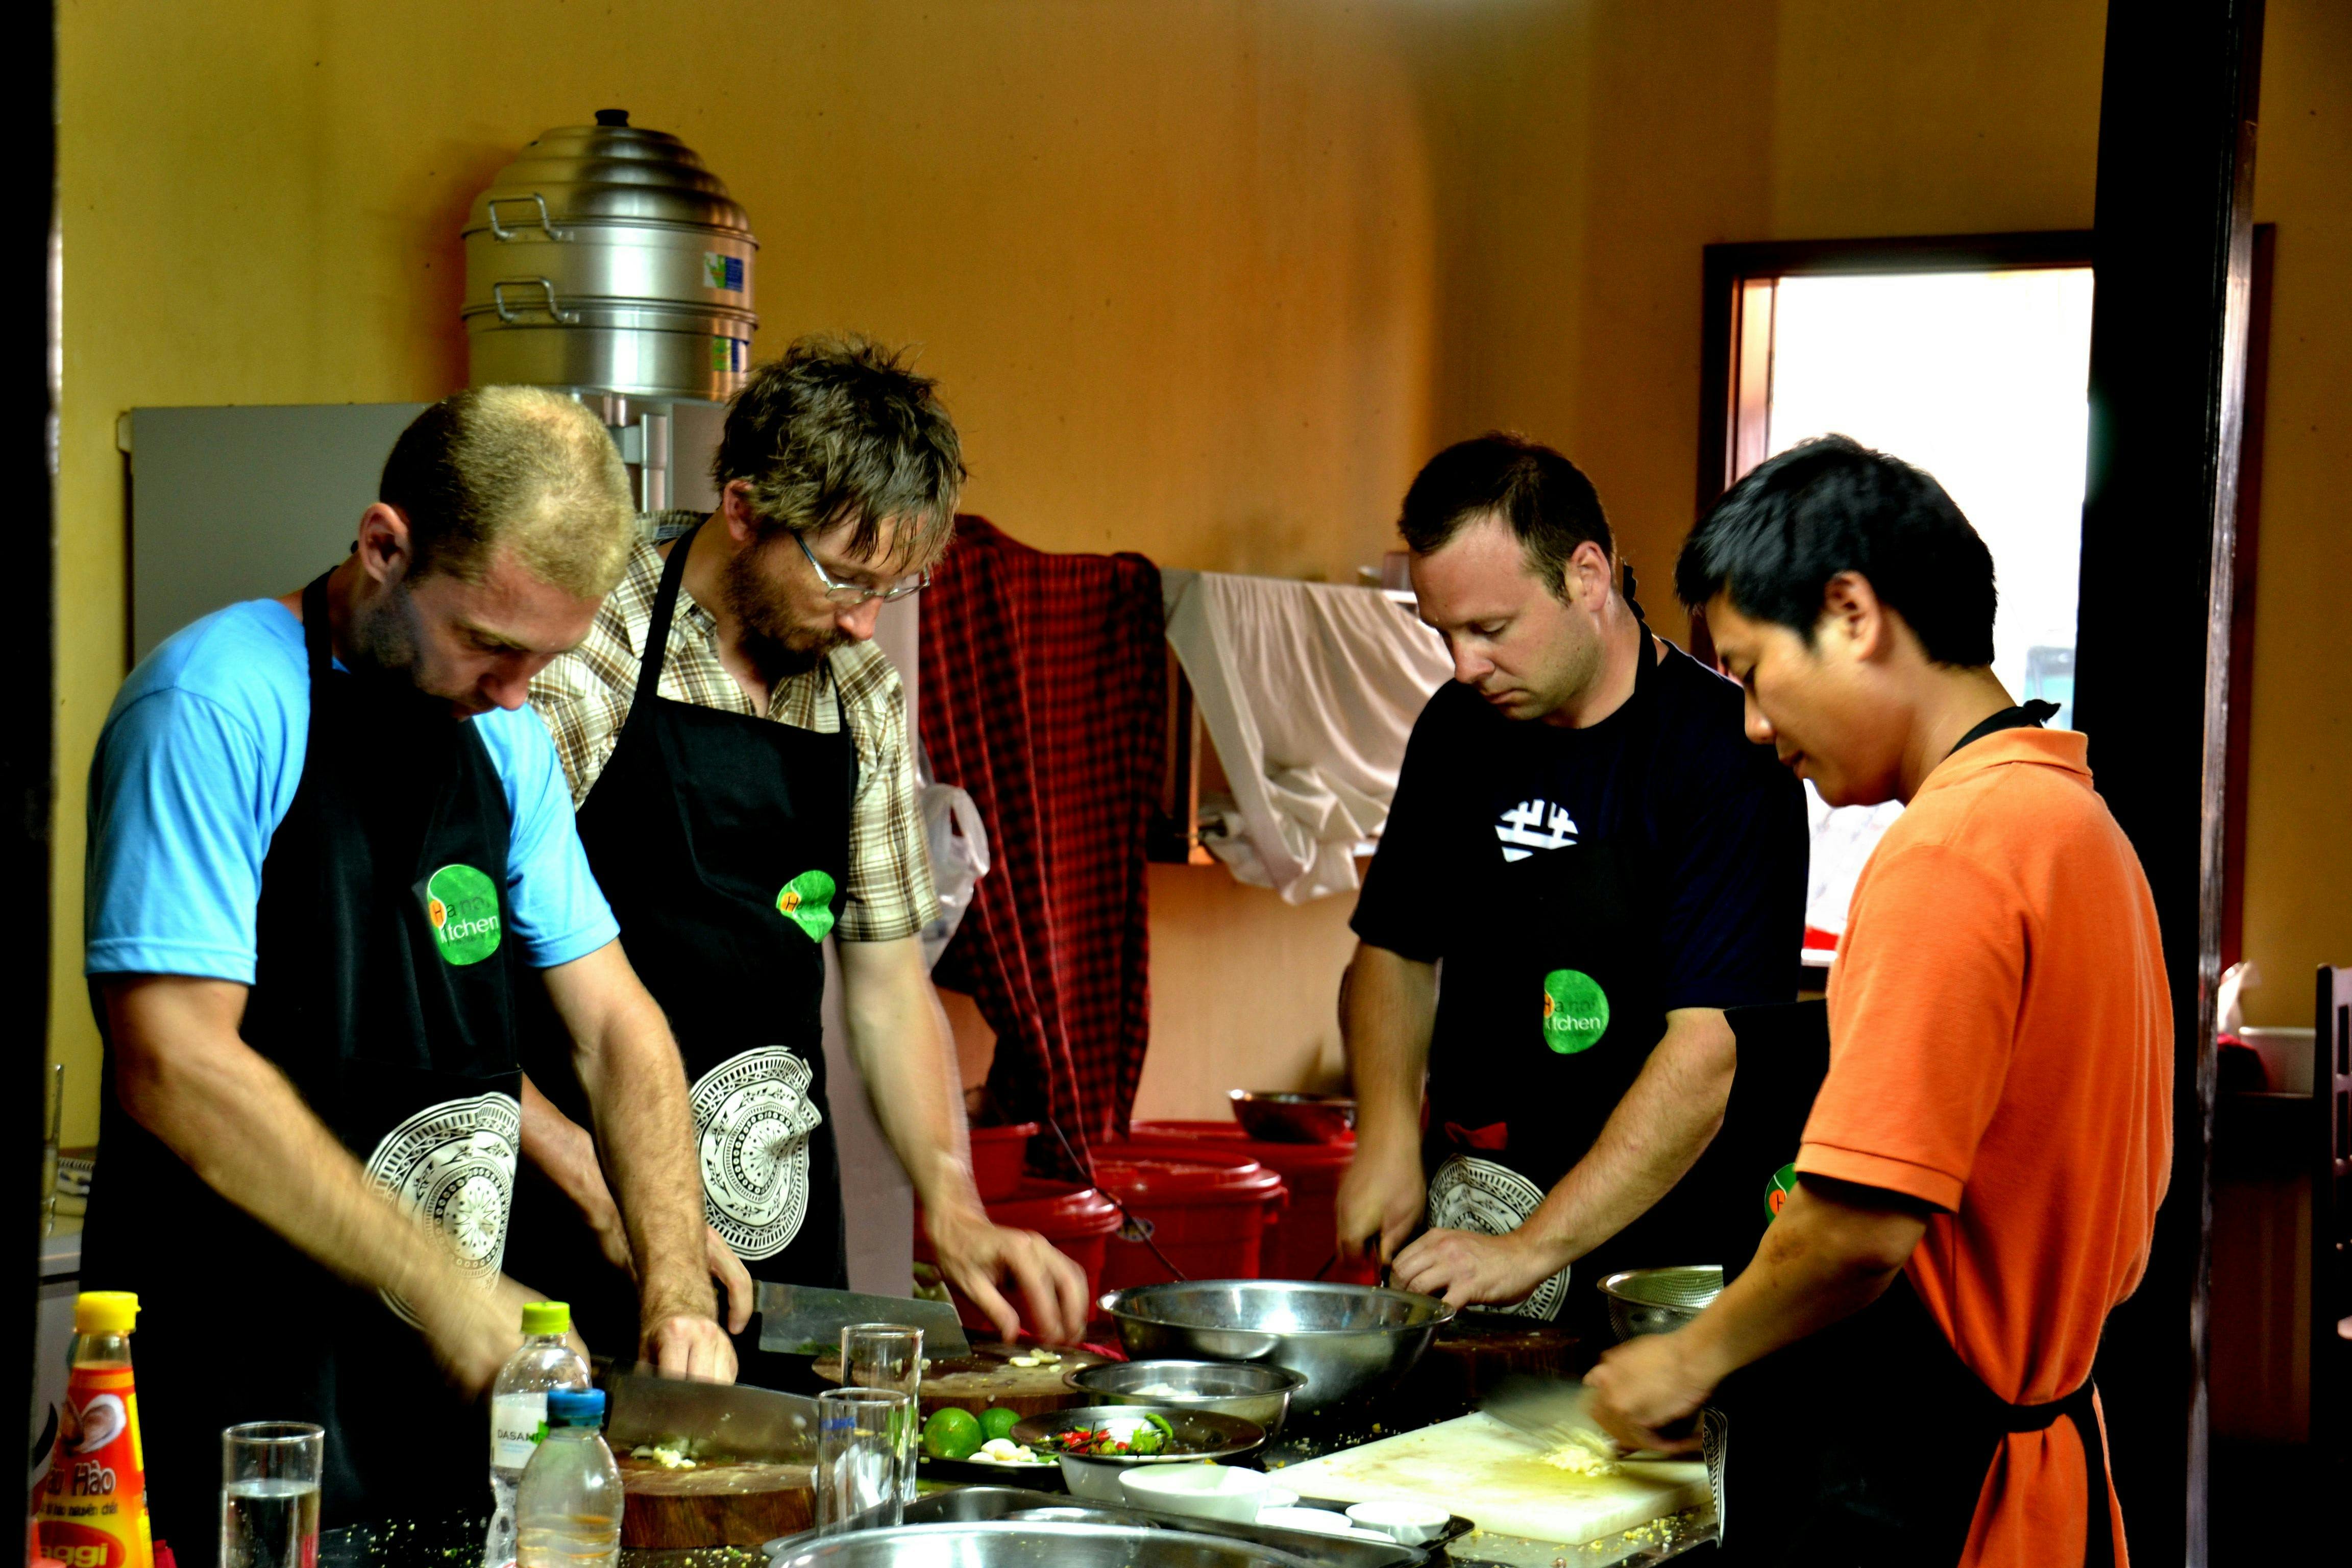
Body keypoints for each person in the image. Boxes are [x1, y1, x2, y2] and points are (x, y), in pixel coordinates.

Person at [80, 388, 732, 1566]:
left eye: (546, 657)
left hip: (443, 1420)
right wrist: (448, 1289)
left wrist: (675, 1282)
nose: (518, 692)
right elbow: (173, 1063)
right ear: (384, 549)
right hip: (253, 1418)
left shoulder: (506, 739)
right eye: (489, 643)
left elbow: (617, 1025)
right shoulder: (219, 706)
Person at [1586, 435, 2170, 1566]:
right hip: (2046, 1454)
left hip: (1942, 1491)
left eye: (1755, 672)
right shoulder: (2073, 822)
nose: (1754, 725)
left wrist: (1685, 1358)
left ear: (1852, 613)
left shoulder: (1950, 851)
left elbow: (1858, 1229)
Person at [525, 335, 1089, 1366]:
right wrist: (619, 1200)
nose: (867, 619)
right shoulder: (592, 653)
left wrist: (952, 1205)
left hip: (778, 1218)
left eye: (898, 585)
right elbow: (473, 973)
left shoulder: (861, 695)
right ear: (742, 510)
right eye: (842, 576)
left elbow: (884, 985)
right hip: (579, 1203)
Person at [1332, 434, 1808, 1332]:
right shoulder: (1456, 730)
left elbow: (1709, 1056)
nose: (1463, 665)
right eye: (1444, 633)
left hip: (1657, 1273)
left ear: (1587, 575)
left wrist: (1534, 1248)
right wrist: (1388, 1134)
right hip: (1470, 1237)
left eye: (1491, 629)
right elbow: (1393, 948)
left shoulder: (1724, 758)